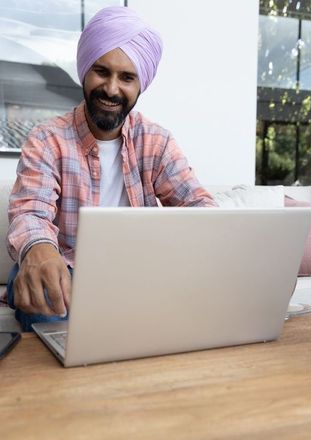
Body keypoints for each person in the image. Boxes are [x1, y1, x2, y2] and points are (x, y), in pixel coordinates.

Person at [6, 6, 216, 331]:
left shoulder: (157, 141)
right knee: (46, 293)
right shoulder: (46, 138)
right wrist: (40, 249)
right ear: (85, 71)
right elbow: (31, 213)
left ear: (140, 83)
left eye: (127, 77)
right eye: (102, 71)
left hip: (136, 273)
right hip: (64, 267)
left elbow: (201, 208)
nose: (112, 89)